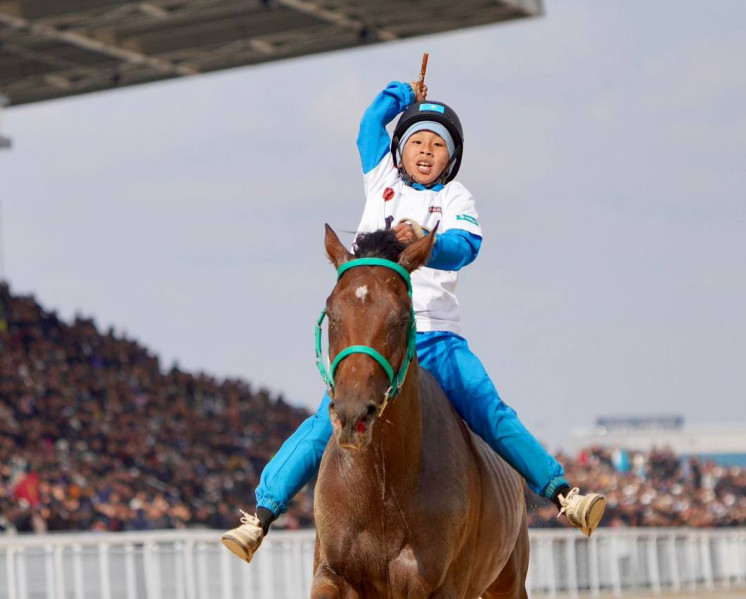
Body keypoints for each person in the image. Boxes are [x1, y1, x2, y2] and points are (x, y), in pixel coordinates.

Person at [220, 79, 607, 563]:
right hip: (376, 338)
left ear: (452, 157)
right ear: (400, 151)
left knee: (489, 411)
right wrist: (401, 96)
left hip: (437, 338)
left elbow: (465, 247)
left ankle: (563, 495)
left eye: (437, 145)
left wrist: (426, 235)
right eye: (417, 141)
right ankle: (260, 516)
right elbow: (367, 128)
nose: (426, 151)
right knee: (328, 419)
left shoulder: (457, 199)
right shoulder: (380, 175)